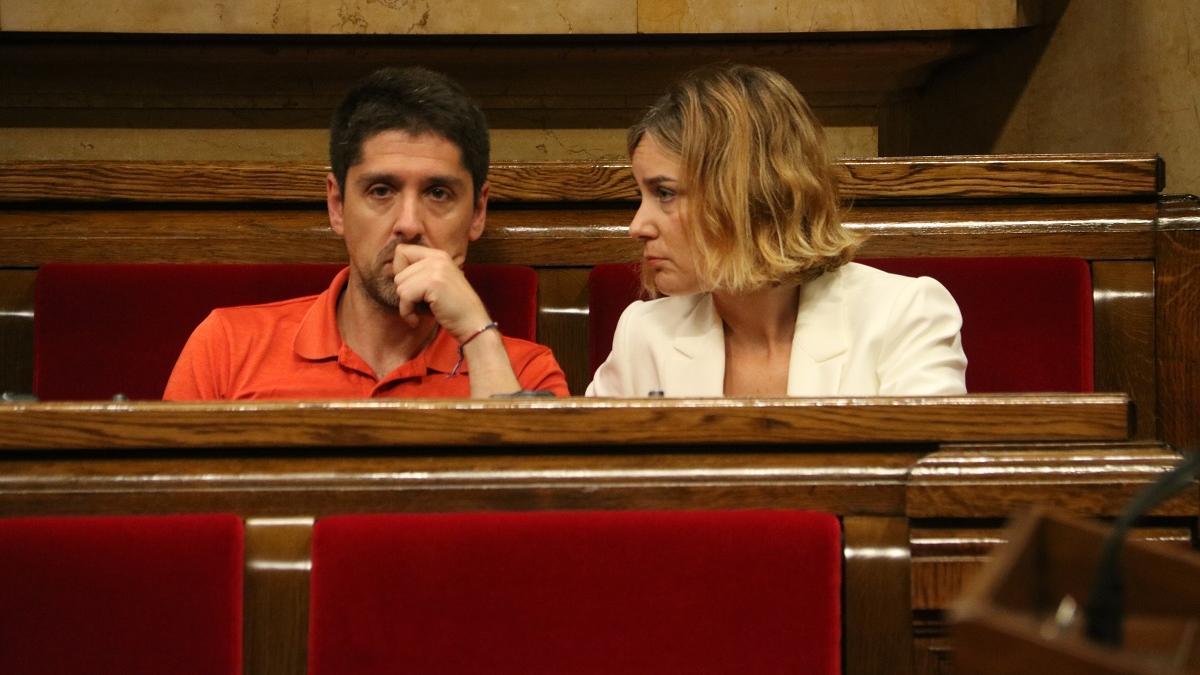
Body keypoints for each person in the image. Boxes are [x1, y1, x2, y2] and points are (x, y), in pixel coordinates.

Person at [165, 66, 568, 400]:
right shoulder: (227, 347)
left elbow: (533, 497)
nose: (408, 223)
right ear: (337, 205)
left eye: (438, 193)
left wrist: (478, 339)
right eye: (381, 191)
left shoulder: (525, 372)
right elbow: (166, 497)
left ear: (477, 212)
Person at [586, 64, 966, 397]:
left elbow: (928, 477)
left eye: (664, 193)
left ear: (748, 194)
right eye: (642, 195)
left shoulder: (903, 316)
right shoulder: (643, 333)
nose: (637, 227)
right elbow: (591, 475)